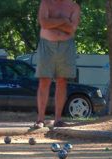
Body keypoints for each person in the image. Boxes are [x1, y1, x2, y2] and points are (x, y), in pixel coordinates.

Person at [33, 0, 80, 129]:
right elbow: (44, 23)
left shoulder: (73, 6)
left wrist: (53, 22)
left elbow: (72, 28)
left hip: (66, 46)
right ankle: (40, 119)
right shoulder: (46, 3)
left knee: (62, 81)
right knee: (44, 80)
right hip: (46, 45)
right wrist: (64, 21)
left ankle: (58, 119)